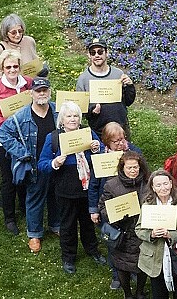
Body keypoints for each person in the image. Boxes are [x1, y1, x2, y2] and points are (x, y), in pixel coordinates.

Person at [39, 102, 106, 274]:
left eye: (75, 116)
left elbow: (102, 153)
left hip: (87, 187)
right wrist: (55, 162)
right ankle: (68, 257)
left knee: (88, 223)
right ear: (62, 119)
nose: (73, 119)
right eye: (69, 116)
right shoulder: (53, 137)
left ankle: (93, 251)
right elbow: (42, 164)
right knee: (67, 225)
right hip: (65, 188)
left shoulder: (88, 132)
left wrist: (97, 148)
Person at [0, 77, 62, 253]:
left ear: (49, 92)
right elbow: (3, 133)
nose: (41, 93)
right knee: (35, 198)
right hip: (35, 164)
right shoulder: (21, 116)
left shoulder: (58, 111)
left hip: (56, 162)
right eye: (38, 91)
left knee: (55, 195)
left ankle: (55, 225)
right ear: (31, 93)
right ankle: (34, 233)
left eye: (44, 90)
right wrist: (22, 153)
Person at [0, 50, 32, 234]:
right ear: (2, 69)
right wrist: (9, 121)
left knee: (25, 175)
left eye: (15, 66)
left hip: (24, 138)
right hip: (3, 139)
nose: (12, 70)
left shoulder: (28, 83)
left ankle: (25, 208)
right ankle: (9, 218)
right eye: (8, 67)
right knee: (8, 179)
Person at [99, 149, 150, 298]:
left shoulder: (148, 183)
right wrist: (116, 215)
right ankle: (127, 293)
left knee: (143, 263)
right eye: (129, 168)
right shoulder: (111, 185)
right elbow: (103, 207)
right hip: (123, 232)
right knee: (122, 265)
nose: (133, 171)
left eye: (136, 167)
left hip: (142, 231)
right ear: (122, 168)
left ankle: (140, 292)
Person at [138, 169, 177, 299]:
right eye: (158, 185)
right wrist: (151, 234)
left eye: (165, 183)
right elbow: (139, 229)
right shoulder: (147, 205)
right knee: (159, 294)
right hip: (155, 257)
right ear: (153, 187)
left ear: (171, 183)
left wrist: (171, 235)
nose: (163, 188)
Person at [77, 38, 139, 135]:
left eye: (100, 52)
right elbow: (80, 109)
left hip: (121, 127)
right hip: (99, 130)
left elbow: (128, 101)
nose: (97, 55)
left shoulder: (118, 74)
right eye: (93, 53)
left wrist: (130, 86)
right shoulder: (83, 79)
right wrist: (92, 111)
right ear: (89, 55)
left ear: (107, 53)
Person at [0, 14, 47, 78]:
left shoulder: (29, 41)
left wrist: (41, 69)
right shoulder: (0, 48)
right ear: (6, 33)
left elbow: (36, 61)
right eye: (13, 33)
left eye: (20, 31)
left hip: (32, 83)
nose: (18, 35)